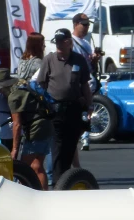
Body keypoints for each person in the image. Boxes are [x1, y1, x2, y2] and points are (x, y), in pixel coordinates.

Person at [37, 28, 92, 183]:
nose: (59, 45)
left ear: (69, 42)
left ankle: (65, 180)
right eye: (57, 42)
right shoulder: (49, 59)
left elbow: (85, 86)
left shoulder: (79, 60)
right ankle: (56, 180)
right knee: (56, 147)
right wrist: (43, 105)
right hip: (55, 109)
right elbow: (41, 84)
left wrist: (89, 106)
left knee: (70, 145)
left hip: (74, 108)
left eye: (62, 41)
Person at [9, 75, 53, 189]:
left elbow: (17, 124)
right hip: (46, 124)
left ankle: (31, 196)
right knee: (37, 165)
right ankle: (43, 196)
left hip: (36, 129)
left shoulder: (14, 96)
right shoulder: (23, 87)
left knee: (26, 168)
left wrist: (14, 149)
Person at [71, 12, 101, 152]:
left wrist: (94, 59)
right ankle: (80, 136)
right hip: (76, 81)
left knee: (88, 109)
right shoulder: (70, 42)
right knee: (80, 109)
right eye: (84, 25)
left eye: (88, 25)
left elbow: (90, 65)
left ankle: (85, 136)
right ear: (76, 24)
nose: (86, 27)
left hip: (87, 80)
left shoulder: (87, 43)